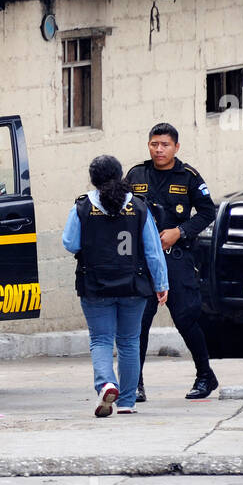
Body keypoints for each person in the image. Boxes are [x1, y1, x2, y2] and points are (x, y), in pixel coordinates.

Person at [63, 155, 168, 416]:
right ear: (121, 176)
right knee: (130, 341)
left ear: (93, 179)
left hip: (95, 284)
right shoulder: (139, 207)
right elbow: (153, 251)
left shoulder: (82, 207)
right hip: (134, 285)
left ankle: (106, 384)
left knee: (100, 339)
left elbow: (70, 243)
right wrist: (161, 282)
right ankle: (128, 402)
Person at [125, 122, 220, 401]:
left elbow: (206, 212)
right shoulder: (136, 174)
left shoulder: (188, 176)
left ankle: (205, 376)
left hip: (176, 259)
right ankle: (135, 383)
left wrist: (180, 232)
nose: (159, 149)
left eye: (165, 144)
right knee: (139, 322)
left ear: (176, 147)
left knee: (186, 319)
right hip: (143, 263)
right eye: (154, 144)